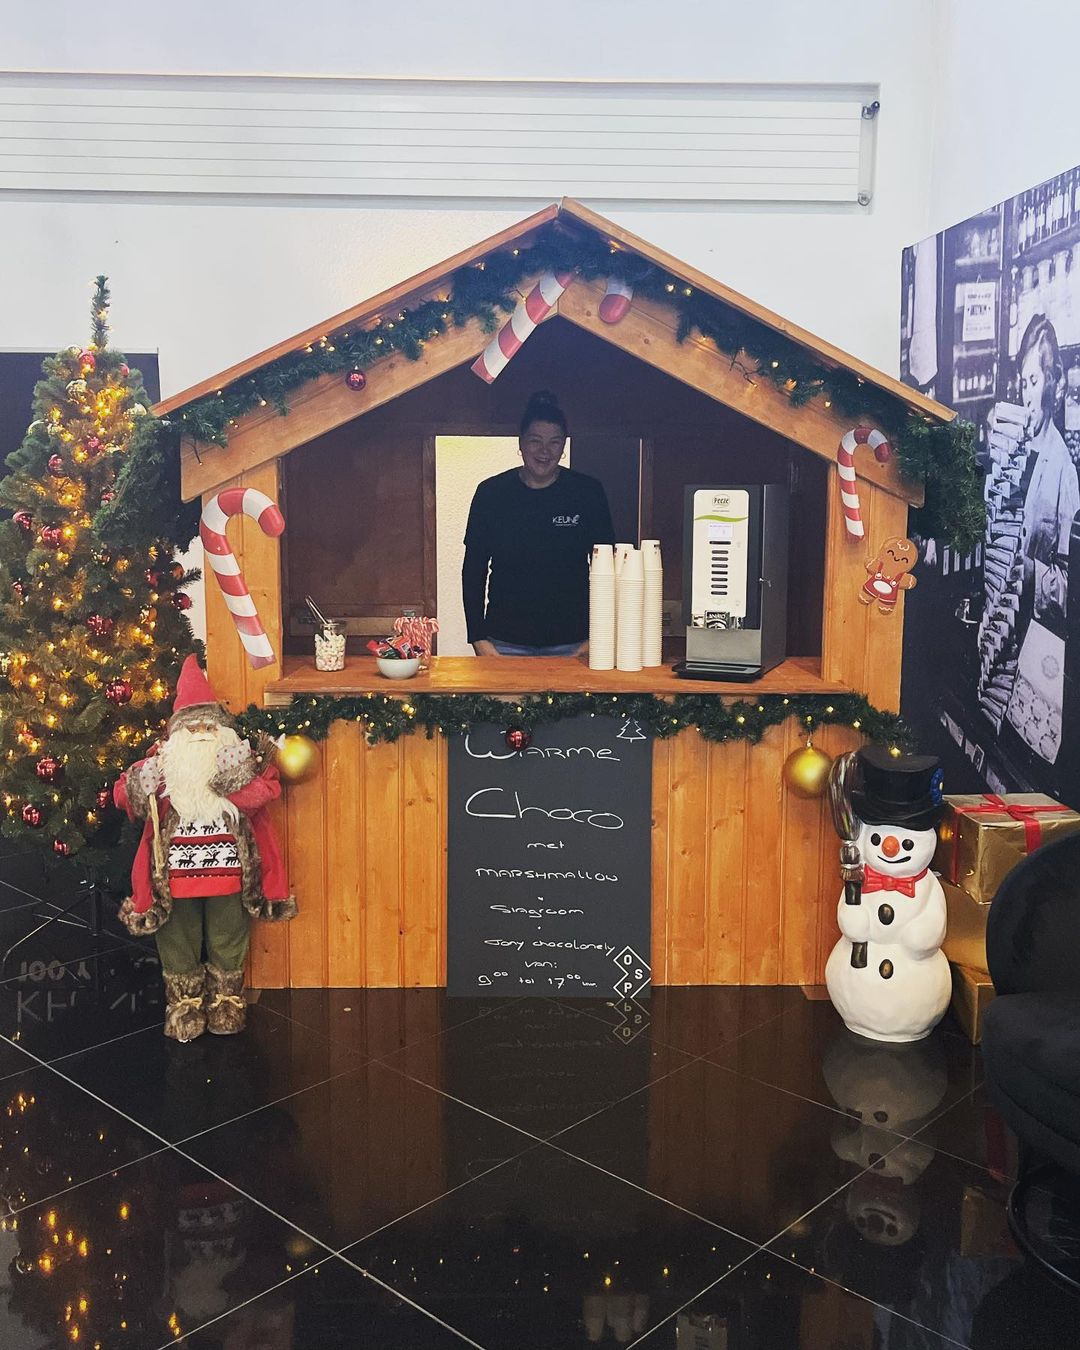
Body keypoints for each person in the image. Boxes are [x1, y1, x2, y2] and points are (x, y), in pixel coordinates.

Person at [114, 655, 296, 1042]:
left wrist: (231, 777)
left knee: (228, 937)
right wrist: (139, 785)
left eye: (208, 725)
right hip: (173, 882)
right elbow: (124, 798)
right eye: (191, 726)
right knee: (176, 941)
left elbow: (263, 794)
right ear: (176, 735)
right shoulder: (162, 764)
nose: (199, 732)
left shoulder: (240, 762)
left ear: (222, 731)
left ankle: (227, 1002)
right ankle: (184, 1006)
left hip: (230, 878)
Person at [462, 390, 614, 656]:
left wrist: (600, 636)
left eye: (554, 442)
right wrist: (477, 637)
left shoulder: (587, 492)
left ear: (563, 446)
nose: (544, 451)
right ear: (521, 443)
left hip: (575, 642)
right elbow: (473, 569)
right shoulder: (491, 493)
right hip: (504, 642)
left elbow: (609, 569)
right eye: (535, 441)